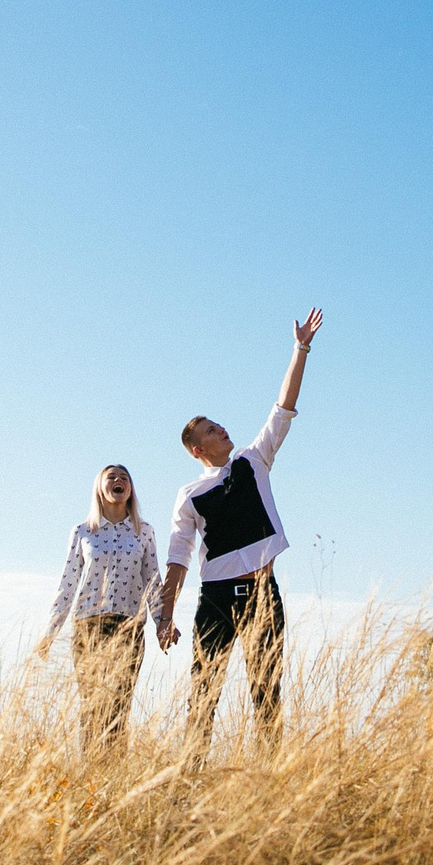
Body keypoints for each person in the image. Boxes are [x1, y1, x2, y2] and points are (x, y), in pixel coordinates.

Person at [157, 308, 323, 755]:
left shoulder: (254, 460)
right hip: (215, 600)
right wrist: (165, 614)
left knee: (267, 694)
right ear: (198, 448)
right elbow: (177, 557)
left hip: (262, 593)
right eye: (212, 430)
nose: (222, 428)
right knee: (203, 694)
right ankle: (188, 779)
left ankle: (267, 779)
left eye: (219, 423)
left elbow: (283, 408)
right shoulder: (190, 494)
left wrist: (301, 348)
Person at [45, 463, 161, 755]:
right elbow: (67, 583)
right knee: (93, 705)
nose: (119, 481)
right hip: (89, 626)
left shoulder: (143, 532)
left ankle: (114, 774)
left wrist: (163, 623)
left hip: (128, 627)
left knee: (119, 706)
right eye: (112, 477)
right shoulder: (83, 531)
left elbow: (152, 579)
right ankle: (91, 774)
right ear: (100, 487)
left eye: (124, 478)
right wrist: (50, 631)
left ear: (130, 489)